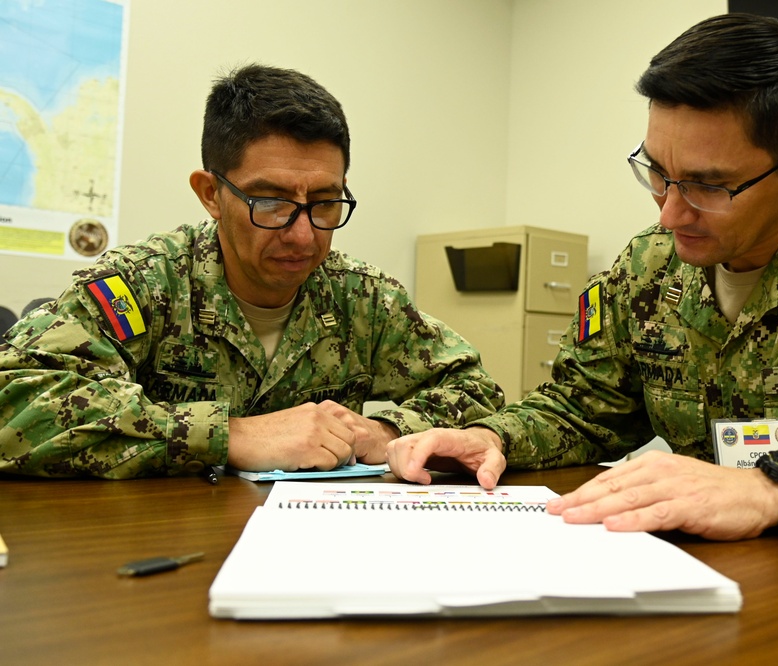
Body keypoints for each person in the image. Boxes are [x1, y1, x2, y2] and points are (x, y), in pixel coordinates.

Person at [386, 14, 778, 543]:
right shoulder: (646, 268)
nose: (670, 212)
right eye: (656, 172)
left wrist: (776, 490)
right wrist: (491, 436)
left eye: (709, 185)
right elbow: (581, 410)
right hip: (698, 576)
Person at [0, 64, 503, 479]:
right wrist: (230, 434)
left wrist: (387, 430)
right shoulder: (143, 285)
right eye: (270, 202)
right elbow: (14, 400)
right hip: (162, 548)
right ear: (211, 194)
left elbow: (478, 392)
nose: (304, 236)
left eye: (325, 203)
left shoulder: (364, 298)